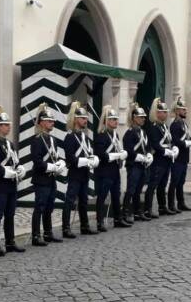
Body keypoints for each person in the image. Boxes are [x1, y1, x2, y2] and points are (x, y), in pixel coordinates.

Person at [0, 105, 26, 256]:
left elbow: (16, 161)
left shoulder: (10, 144)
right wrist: (11, 173)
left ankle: (10, 242)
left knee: (10, 214)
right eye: (4, 124)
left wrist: (20, 168)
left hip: (11, 184)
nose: (8, 127)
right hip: (0, 185)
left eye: (8, 124)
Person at [29, 103, 67, 246]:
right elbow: (37, 161)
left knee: (49, 207)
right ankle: (36, 235)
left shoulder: (52, 139)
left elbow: (55, 157)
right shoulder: (36, 140)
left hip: (51, 179)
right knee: (39, 207)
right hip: (41, 179)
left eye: (52, 121)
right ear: (42, 122)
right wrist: (52, 167)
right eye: (49, 121)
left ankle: (48, 233)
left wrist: (60, 163)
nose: (52, 123)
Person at [62, 101, 99, 239]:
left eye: (86, 118)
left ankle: (85, 226)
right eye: (83, 118)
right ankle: (66, 228)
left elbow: (89, 153)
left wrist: (93, 159)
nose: (85, 121)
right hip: (75, 173)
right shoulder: (70, 137)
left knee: (84, 201)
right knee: (70, 201)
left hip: (84, 173)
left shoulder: (84, 137)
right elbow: (70, 158)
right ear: (76, 119)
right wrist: (86, 161)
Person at [93, 105, 131, 231]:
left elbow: (118, 150)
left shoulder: (116, 135)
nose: (116, 121)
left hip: (114, 170)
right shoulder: (101, 136)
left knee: (116, 195)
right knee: (102, 197)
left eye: (116, 119)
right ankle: (100, 222)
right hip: (104, 171)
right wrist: (117, 155)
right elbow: (101, 155)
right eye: (113, 119)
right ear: (107, 121)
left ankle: (117, 219)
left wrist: (122, 154)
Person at [145, 98, 179, 218]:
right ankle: (148, 209)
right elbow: (155, 144)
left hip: (167, 159)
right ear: (157, 113)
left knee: (163, 184)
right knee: (153, 185)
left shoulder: (164, 126)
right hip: (158, 159)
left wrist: (174, 147)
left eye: (166, 112)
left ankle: (162, 207)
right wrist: (166, 151)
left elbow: (169, 141)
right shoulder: (154, 127)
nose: (166, 114)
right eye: (163, 112)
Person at [122, 103, 153, 223]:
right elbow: (129, 150)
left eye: (144, 117)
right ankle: (125, 213)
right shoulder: (129, 133)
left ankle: (137, 212)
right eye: (141, 117)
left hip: (143, 165)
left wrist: (149, 154)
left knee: (138, 190)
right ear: (134, 118)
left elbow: (148, 146)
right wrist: (139, 157)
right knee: (131, 189)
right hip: (133, 165)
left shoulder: (143, 132)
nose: (143, 119)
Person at [168, 96, 191, 212]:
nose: (186, 111)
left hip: (184, 157)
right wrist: (188, 143)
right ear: (177, 111)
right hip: (177, 158)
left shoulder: (184, 124)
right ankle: (171, 205)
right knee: (174, 182)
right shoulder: (175, 125)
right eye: (183, 109)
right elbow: (176, 141)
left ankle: (181, 203)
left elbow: (187, 137)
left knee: (181, 182)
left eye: (185, 109)